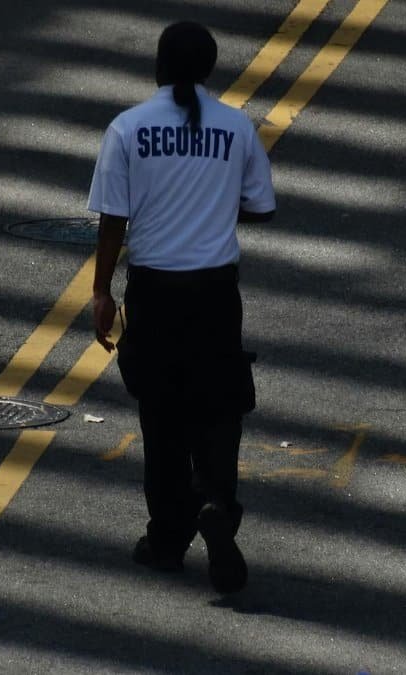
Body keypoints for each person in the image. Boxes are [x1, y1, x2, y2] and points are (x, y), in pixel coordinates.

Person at [86, 20, 276, 594]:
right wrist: (212, 207)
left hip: (156, 292)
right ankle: (217, 501)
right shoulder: (236, 127)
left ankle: (167, 541)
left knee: (162, 417)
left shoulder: (128, 129)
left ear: (159, 67)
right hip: (216, 293)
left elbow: (113, 220)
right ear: (210, 68)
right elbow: (261, 206)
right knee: (219, 409)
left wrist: (101, 291)